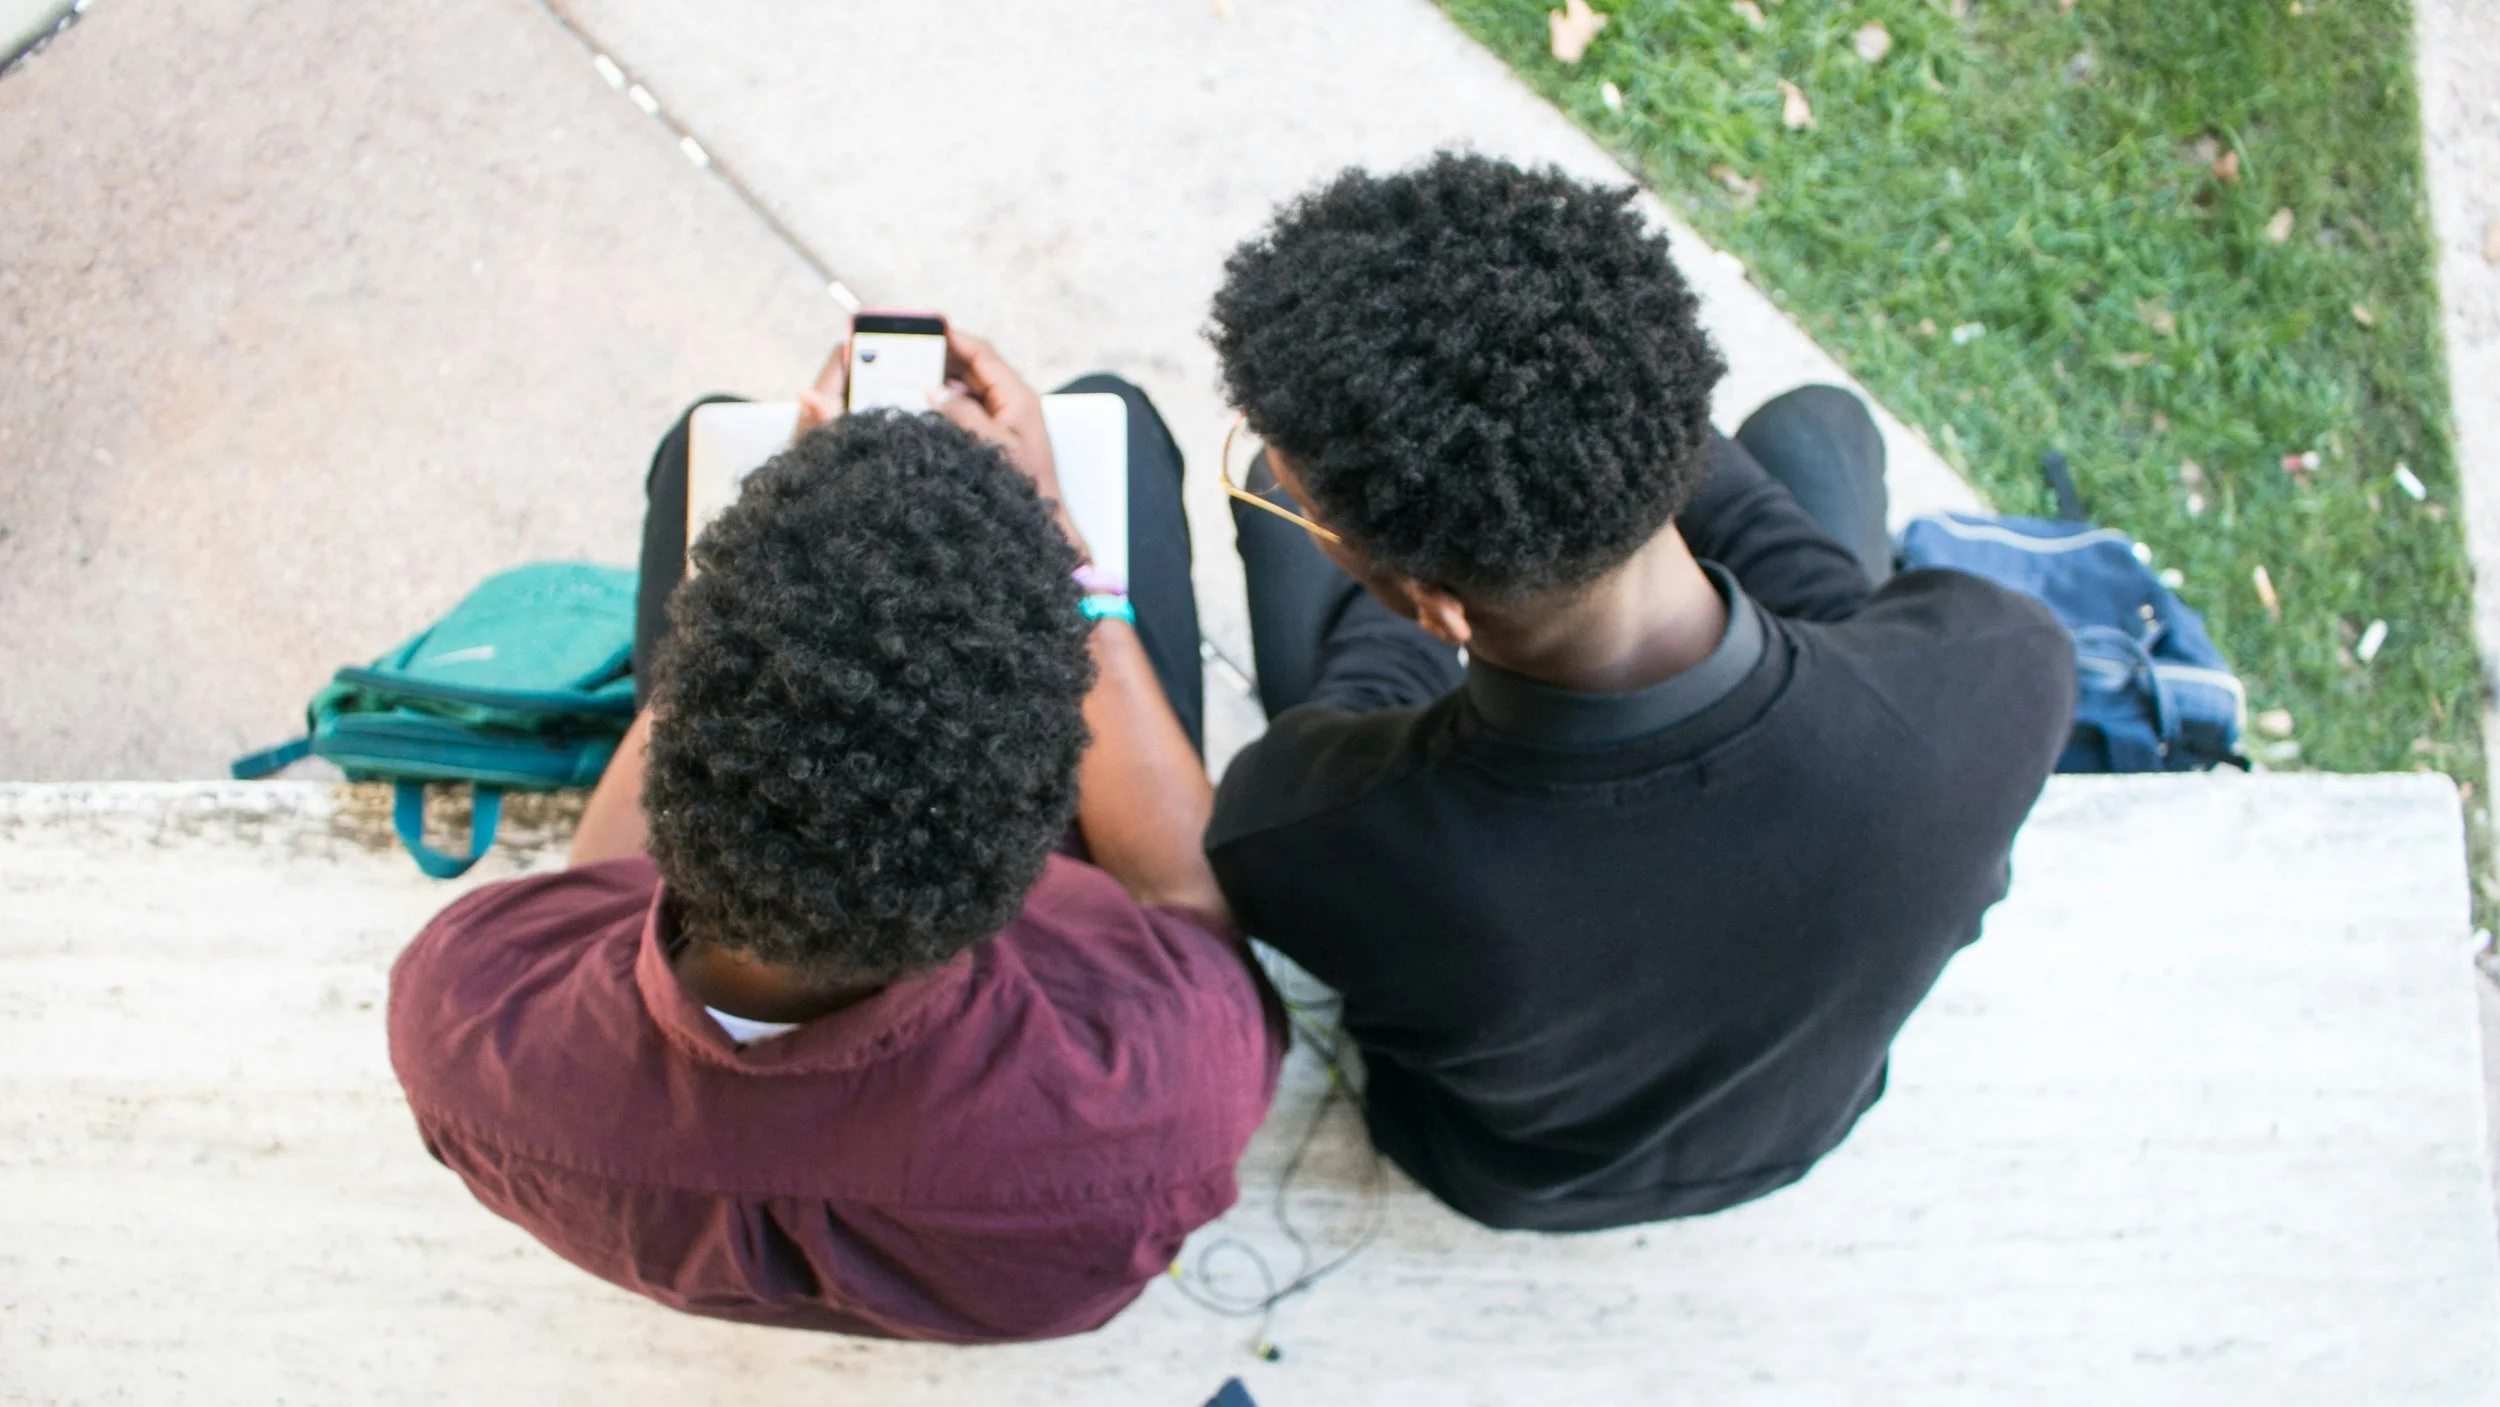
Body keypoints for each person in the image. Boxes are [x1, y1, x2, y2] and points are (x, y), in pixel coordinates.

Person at [1203, 153, 2075, 1233]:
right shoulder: (1993, 673)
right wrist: (1613, 453)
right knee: (1818, 430)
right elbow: (1835, 611)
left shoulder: (1308, 830)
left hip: (1513, 1170)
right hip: (1798, 1123)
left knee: (1263, 516)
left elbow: (1361, 706)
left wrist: (1417, 616)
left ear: (1438, 609)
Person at [388, 328, 1284, 1342]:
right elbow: (1186, 907)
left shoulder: (463, 1020)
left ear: (674, 738)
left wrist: (758, 578)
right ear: (1037, 850)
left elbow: (607, 872)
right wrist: (1066, 560)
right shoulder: (1159, 1107)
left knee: (697, 442)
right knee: (1113, 413)